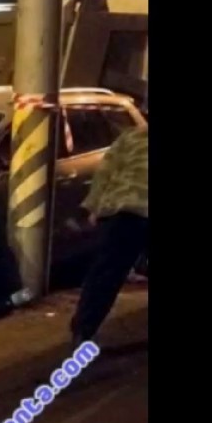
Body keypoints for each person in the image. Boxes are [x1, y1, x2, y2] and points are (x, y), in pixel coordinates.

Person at [70, 115, 148, 346]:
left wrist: (95, 207)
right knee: (107, 272)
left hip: (123, 210)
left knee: (106, 274)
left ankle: (83, 330)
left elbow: (105, 171)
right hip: (135, 209)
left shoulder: (131, 136)